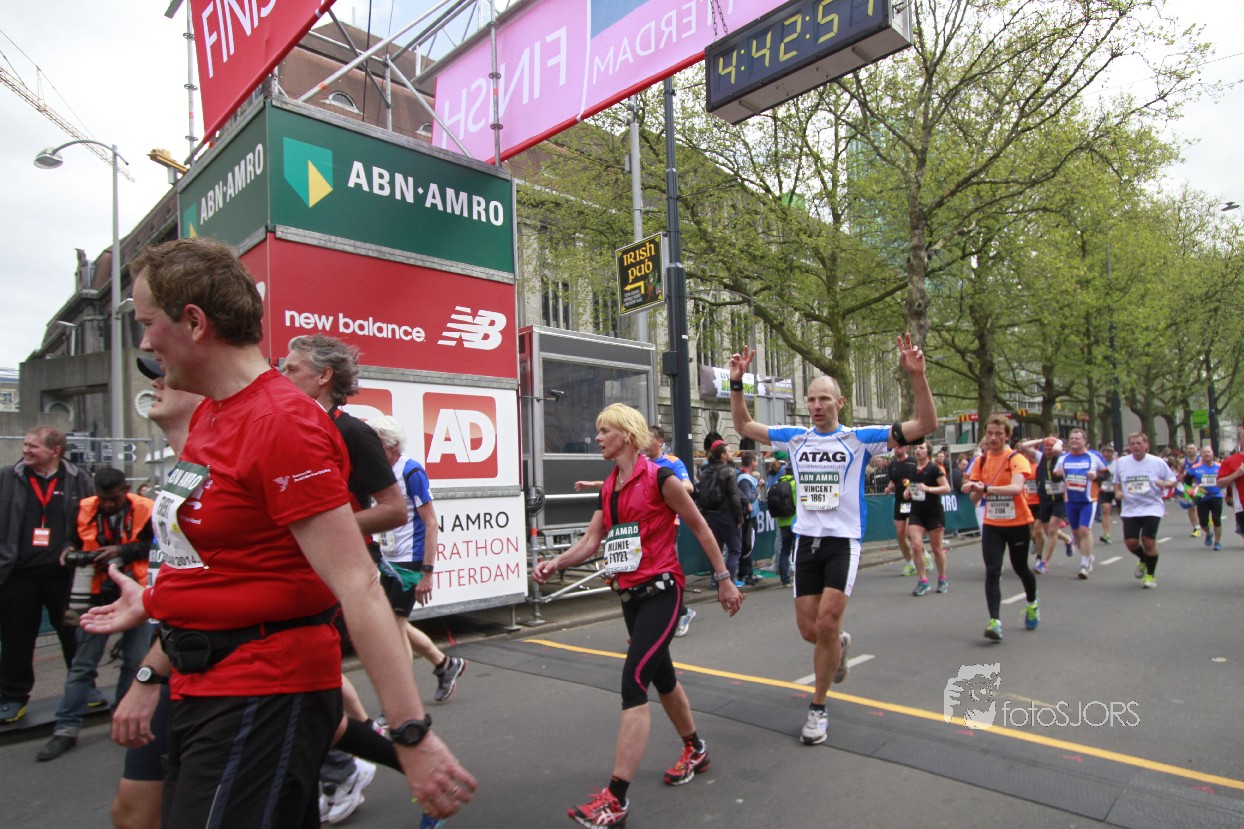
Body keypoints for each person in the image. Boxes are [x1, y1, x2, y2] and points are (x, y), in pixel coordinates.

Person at [81, 238, 473, 827]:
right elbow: (227, 557)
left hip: (261, 690)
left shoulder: (281, 422)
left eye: (147, 323)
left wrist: (411, 735)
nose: (144, 343)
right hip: (202, 684)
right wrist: (158, 605)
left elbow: (359, 585)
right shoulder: (212, 413)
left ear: (194, 322)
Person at [531, 404, 743, 828]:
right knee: (663, 679)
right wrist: (556, 562)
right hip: (630, 596)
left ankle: (616, 799)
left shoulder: (661, 479)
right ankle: (695, 749)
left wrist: (724, 579)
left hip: (663, 592)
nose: (597, 438)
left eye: (604, 430)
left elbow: (700, 526)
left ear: (627, 435)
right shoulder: (609, 487)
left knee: (634, 681)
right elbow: (591, 540)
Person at [728, 334, 936, 745]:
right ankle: (837, 645)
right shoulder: (795, 437)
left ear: (839, 402)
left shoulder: (860, 438)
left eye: (824, 399)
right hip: (807, 542)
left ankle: (818, 708)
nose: (817, 406)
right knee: (811, 631)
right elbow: (743, 426)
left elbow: (925, 425)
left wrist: (918, 377)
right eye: (811, 400)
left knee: (825, 622)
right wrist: (737, 384)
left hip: (843, 541)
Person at [281, 333, 416, 823]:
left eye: (292, 368)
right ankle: (360, 753)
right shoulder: (286, 426)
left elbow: (395, 510)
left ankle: (371, 758)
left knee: (303, 681)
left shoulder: (353, 431)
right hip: (298, 571)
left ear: (324, 376)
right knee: (310, 680)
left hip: (342, 570)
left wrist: (325, 530)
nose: (282, 375)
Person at [109, 355, 203, 829]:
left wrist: (148, 677)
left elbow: (212, 586)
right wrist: (147, 602)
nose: (157, 383)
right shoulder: (180, 469)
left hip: (205, 664)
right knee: (133, 811)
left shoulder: (217, 470)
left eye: (169, 374)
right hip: (174, 647)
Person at [37, 467, 155, 762]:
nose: (109, 504)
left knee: (135, 660)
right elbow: (69, 542)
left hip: (137, 593)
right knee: (82, 664)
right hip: (95, 593)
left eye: (114, 498)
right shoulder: (83, 508)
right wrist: (69, 553)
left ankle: (122, 717)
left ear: (125, 490)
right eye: (104, 499)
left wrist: (120, 551)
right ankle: (66, 728)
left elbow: (155, 547)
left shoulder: (146, 508)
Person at [0, 426, 95, 724]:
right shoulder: (7, 477)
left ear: (55, 451)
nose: (26, 450)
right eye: (25, 445)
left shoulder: (79, 479)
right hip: (17, 573)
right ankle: (13, 697)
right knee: (16, 638)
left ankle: (84, 689)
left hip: (63, 574)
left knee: (73, 634)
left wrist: (80, 551)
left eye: (33, 446)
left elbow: (91, 519)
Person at [369, 415, 468, 701]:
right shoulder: (379, 472)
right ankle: (444, 664)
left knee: (394, 626)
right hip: (389, 559)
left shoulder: (411, 471)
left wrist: (427, 572)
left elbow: (431, 523)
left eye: (377, 444)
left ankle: (401, 699)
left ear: (392, 446)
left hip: (410, 561)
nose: (372, 450)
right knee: (393, 622)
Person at [963, 415, 1040, 641]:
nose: (993, 438)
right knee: (993, 570)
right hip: (993, 524)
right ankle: (994, 621)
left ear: (1007, 435)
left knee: (1020, 567)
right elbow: (975, 500)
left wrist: (986, 488)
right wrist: (974, 488)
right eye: (990, 433)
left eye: (998, 434)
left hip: (1018, 523)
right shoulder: (981, 461)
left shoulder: (1016, 458)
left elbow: (1016, 488)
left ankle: (1032, 602)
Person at [1115, 432, 1176, 588]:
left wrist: (1165, 484)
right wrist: (1117, 492)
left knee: (1148, 541)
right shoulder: (1122, 462)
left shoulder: (1157, 462)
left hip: (1152, 506)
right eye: (1133, 444)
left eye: (1139, 443)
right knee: (1131, 543)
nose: (1136, 446)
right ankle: (1143, 558)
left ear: (1146, 445)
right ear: (1129, 446)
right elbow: (1116, 482)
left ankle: (1150, 575)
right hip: (1130, 508)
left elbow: (1172, 480)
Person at [1052, 428, 1105, 579]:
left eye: (1077, 438)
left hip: (1088, 500)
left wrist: (1096, 476)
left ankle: (1084, 564)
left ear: (1085, 442)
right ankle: (1087, 556)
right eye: (1072, 438)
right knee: (1076, 533)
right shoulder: (1063, 458)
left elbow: (1106, 474)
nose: (1074, 441)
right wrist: (1058, 475)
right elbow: (1056, 477)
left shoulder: (1094, 456)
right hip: (1070, 500)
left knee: (1084, 530)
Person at [904, 440, 951, 596]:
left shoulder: (934, 468)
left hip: (933, 513)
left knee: (937, 548)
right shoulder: (912, 470)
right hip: (917, 513)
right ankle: (923, 580)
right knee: (916, 546)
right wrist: (907, 493)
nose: (918, 450)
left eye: (921, 448)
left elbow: (947, 488)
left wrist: (928, 488)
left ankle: (942, 578)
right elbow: (911, 488)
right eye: (916, 448)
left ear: (928, 451)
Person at [696, 441, 744, 585]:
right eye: (729, 452)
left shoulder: (705, 472)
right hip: (727, 514)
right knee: (735, 549)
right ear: (723, 455)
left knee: (715, 550)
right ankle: (729, 581)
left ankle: (716, 580)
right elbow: (734, 496)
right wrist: (739, 518)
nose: (731, 454)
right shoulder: (729, 471)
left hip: (710, 515)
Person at [884, 445, 920, 575]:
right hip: (900, 502)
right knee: (900, 534)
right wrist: (889, 488)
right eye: (895, 447)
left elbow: (920, 479)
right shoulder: (892, 465)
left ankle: (923, 555)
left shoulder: (913, 462)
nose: (896, 449)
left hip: (913, 501)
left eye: (899, 447)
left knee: (910, 533)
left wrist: (911, 489)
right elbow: (893, 481)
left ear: (906, 448)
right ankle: (910, 563)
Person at [736, 451, 762, 586]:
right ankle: (746, 574)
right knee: (747, 545)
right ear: (752, 462)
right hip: (748, 517)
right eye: (756, 460)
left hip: (751, 516)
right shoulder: (744, 479)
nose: (757, 463)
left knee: (748, 545)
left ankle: (746, 572)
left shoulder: (747, 477)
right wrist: (758, 488)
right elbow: (748, 498)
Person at [1191, 446, 1224, 550]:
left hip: (1216, 496)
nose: (1206, 454)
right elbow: (1187, 480)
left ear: (1212, 453)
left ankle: (1217, 542)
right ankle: (1208, 533)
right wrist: (1191, 491)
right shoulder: (1196, 467)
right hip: (1202, 497)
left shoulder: (1220, 466)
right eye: (1204, 452)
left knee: (1216, 520)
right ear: (1201, 455)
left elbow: (1226, 477)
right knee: (1203, 522)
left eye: (1208, 452)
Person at [1215, 429, 1244, 540]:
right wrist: (1237, 474)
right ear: (1241, 440)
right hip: (1241, 506)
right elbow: (1219, 483)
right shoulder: (1231, 461)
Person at [1181, 443, 1203, 536]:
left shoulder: (1201, 460)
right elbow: (1180, 473)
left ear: (1196, 450)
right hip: (1189, 486)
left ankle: (1206, 519)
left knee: (1203, 505)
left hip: (1200, 486)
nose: (1190, 450)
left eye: (1192, 448)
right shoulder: (1183, 461)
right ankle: (1196, 528)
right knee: (1191, 507)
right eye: (1188, 448)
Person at [1098, 444, 1118, 543]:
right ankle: (1107, 535)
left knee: (1122, 512)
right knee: (1105, 510)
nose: (1106, 454)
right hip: (1105, 489)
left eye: (1108, 452)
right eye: (1104, 452)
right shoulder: (1099, 463)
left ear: (1112, 453)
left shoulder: (1117, 462)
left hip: (1117, 489)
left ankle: (1130, 532)